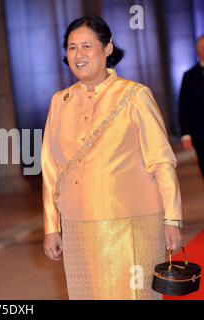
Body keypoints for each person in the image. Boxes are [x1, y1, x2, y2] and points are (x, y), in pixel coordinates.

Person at [42, 16, 183, 300]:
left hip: (129, 224)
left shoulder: (134, 95)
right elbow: (50, 168)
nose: (78, 55)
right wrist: (51, 227)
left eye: (86, 46)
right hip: (77, 227)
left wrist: (172, 219)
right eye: (71, 48)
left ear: (107, 48)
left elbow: (162, 161)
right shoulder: (60, 101)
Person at [179, 34, 204, 177]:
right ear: (197, 50)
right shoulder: (189, 76)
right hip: (200, 133)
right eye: (202, 48)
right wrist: (186, 134)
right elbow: (184, 106)